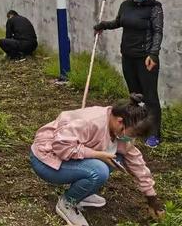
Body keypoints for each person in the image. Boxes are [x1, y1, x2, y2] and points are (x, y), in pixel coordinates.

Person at [30, 94, 164, 226]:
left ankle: (83, 193)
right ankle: (67, 203)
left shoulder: (119, 130)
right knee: (99, 171)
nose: (131, 138)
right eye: (133, 134)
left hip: (68, 156)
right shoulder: (92, 122)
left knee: (118, 157)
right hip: (46, 160)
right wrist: (97, 154)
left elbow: (136, 161)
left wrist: (151, 198)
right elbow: (60, 146)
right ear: (120, 121)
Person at [94, 0, 163, 148]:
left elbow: (157, 31)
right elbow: (119, 22)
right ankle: (136, 129)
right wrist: (103, 25)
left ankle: (154, 133)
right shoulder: (126, 5)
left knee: (150, 96)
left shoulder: (154, 7)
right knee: (134, 95)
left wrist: (153, 54)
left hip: (146, 58)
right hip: (128, 56)